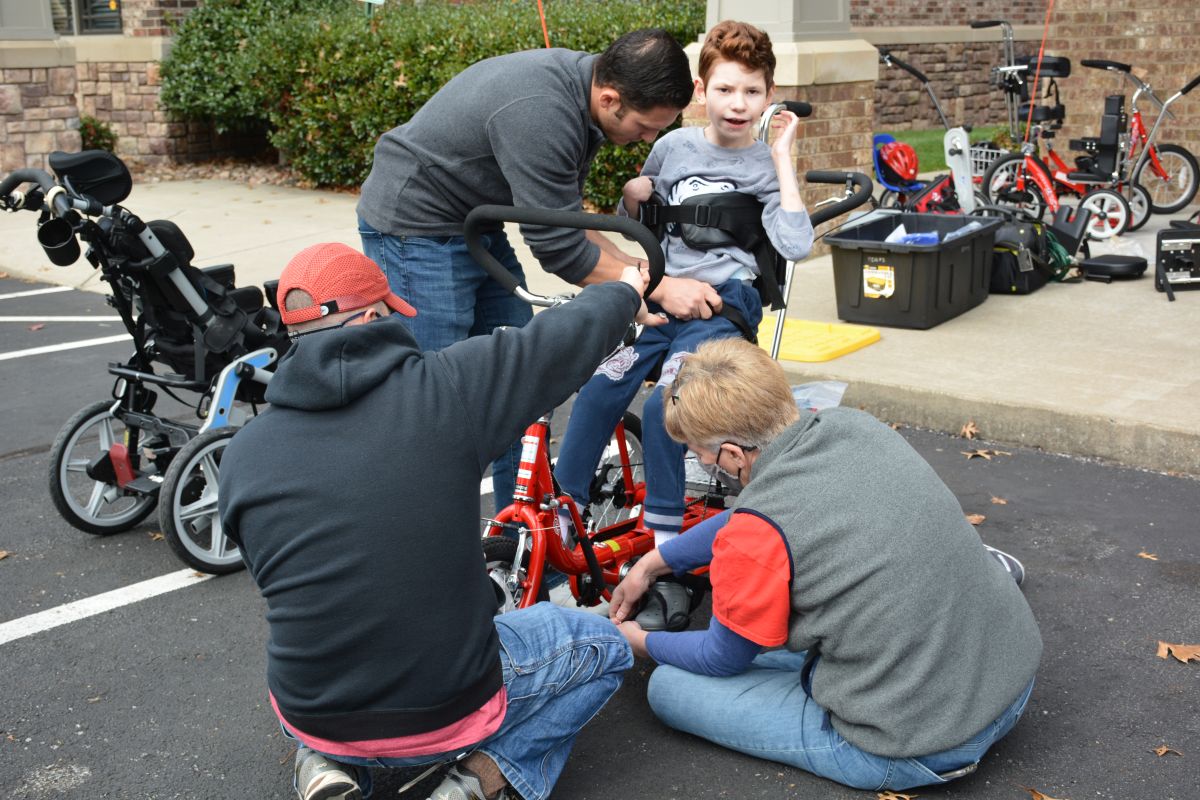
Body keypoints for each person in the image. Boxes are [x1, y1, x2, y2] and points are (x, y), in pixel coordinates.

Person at [218, 242, 657, 800]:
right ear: (372, 318)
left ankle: (322, 762)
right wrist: (626, 290)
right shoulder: (446, 390)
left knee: (321, 643)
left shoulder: (242, 452)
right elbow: (553, 342)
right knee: (604, 646)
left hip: (310, 706)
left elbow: (273, 571)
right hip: (446, 709)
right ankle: (475, 782)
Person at [608, 337, 1042, 793]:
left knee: (670, 687)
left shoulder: (755, 534)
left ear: (733, 454)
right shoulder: (853, 426)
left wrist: (640, 641)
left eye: (699, 452)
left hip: (918, 742)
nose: (699, 461)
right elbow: (756, 513)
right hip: (1008, 681)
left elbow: (721, 658)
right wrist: (653, 563)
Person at [357, 28, 695, 511]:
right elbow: (560, 250)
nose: (648, 138)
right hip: (415, 226)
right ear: (610, 98)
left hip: (475, 222)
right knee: (434, 399)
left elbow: (566, 222)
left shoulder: (586, 93)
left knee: (520, 379)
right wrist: (654, 289)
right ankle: (419, 535)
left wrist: (642, 275)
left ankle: (518, 535)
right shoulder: (543, 113)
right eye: (645, 126)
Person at [552, 20, 814, 628]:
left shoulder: (763, 163)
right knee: (601, 384)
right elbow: (637, 223)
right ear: (701, 91)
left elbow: (796, 244)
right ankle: (567, 511)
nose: (738, 104)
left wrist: (781, 159)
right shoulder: (672, 149)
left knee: (672, 400)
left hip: (723, 306)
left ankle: (665, 548)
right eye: (725, 89)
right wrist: (633, 196)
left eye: (752, 91)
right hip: (666, 297)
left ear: (769, 95)